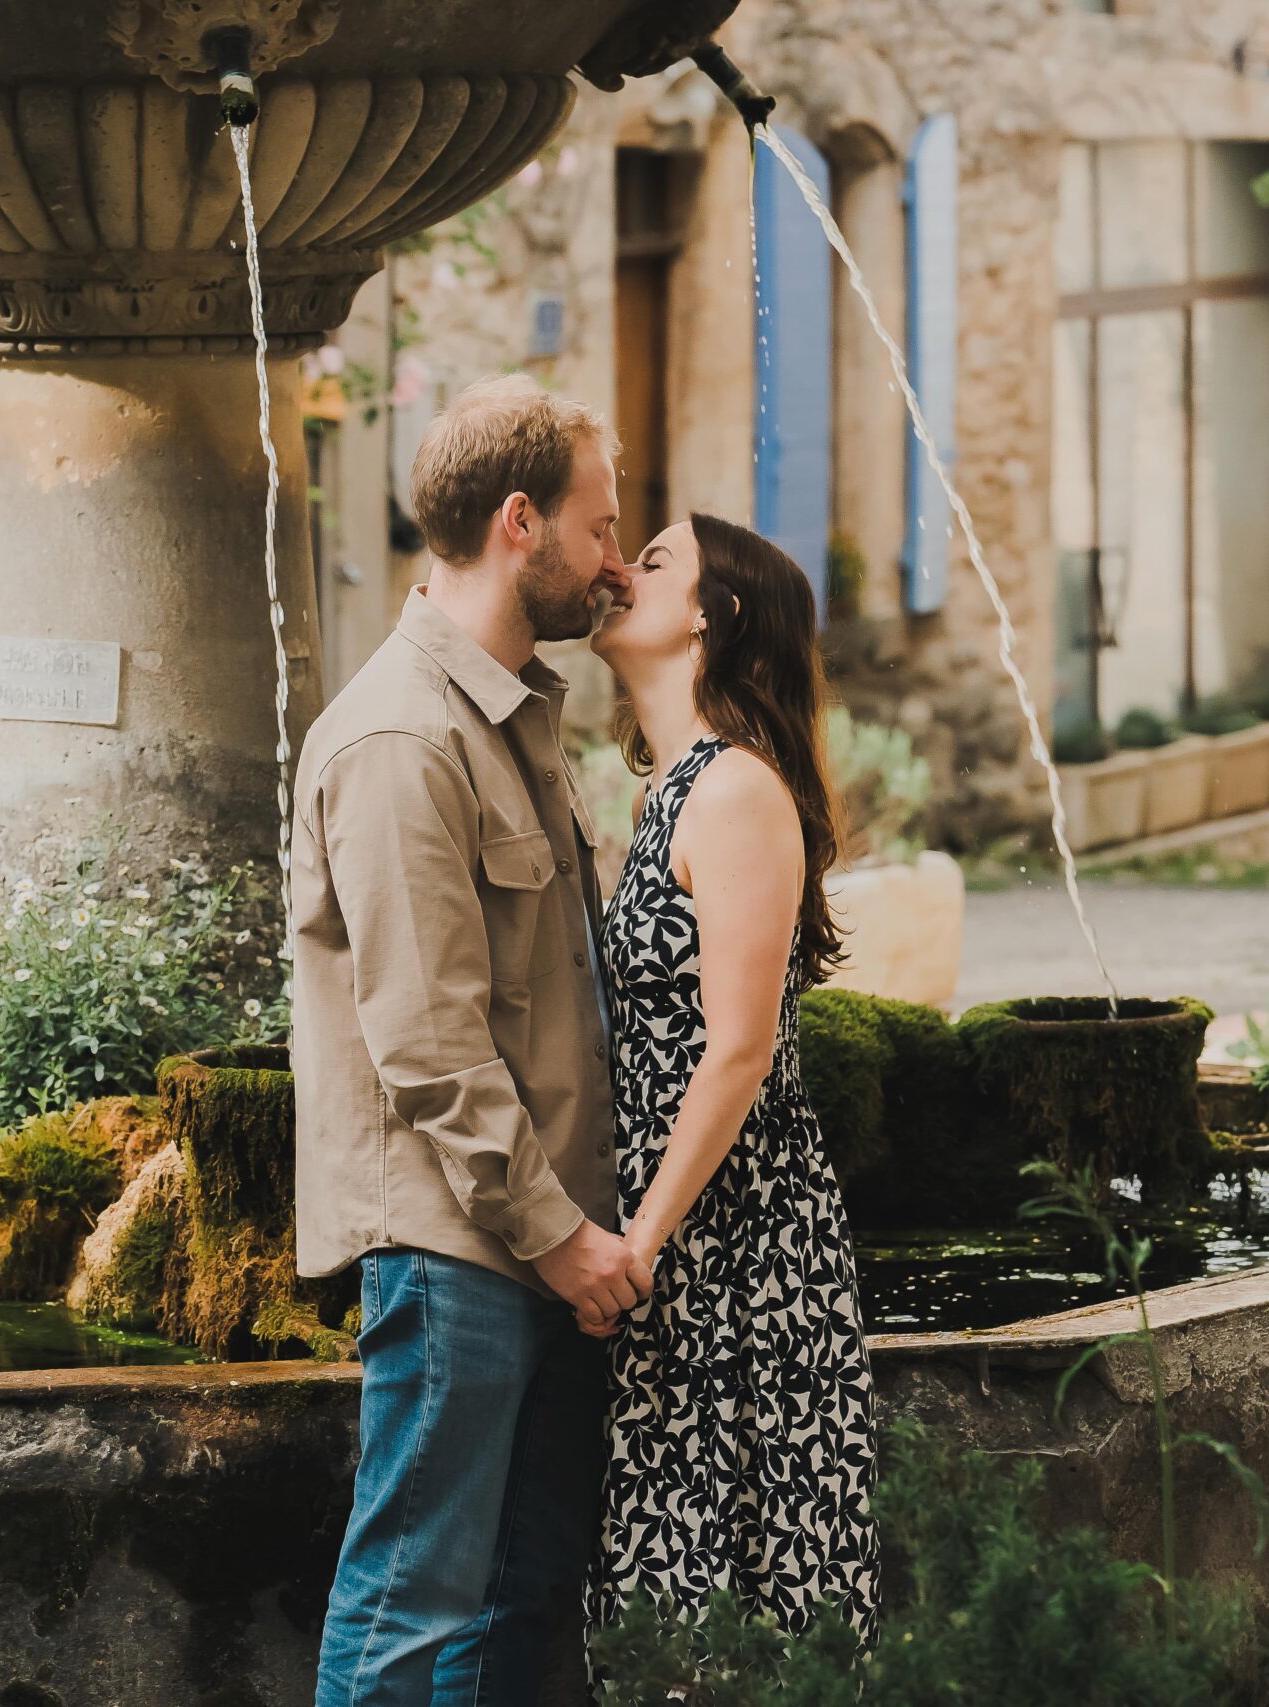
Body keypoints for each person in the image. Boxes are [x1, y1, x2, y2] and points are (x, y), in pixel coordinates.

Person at [294, 373, 649, 1706]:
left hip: (542, 1250)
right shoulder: (399, 736)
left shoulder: (511, 713)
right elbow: (431, 1044)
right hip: (461, 1251)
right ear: (521, 522)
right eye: (601, 526)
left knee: (519, 1613)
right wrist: (566, 1241)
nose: (614, 561)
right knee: (411, 1610)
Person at [581, 513, 882, 1662]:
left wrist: (640, 1243)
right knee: (673, 1586)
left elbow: (738, 1051)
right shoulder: (679, 787)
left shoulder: (734, 793)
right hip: (686, 1245)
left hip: (735, 1252)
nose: (619, 569)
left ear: (711, 614)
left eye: (651, 561)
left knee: (743, 1593)